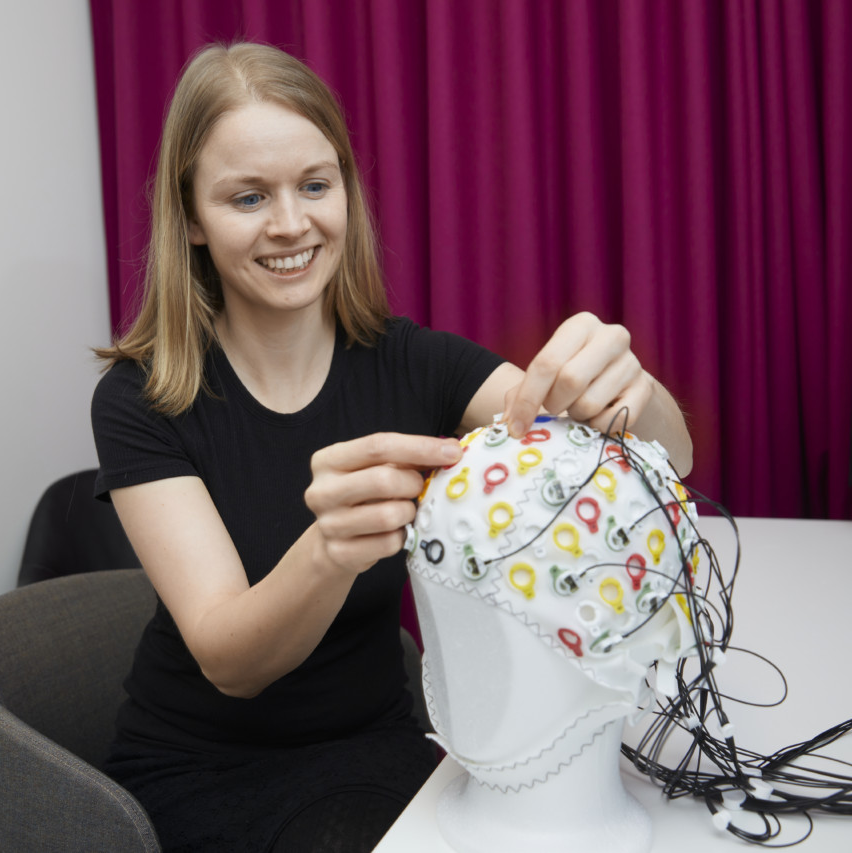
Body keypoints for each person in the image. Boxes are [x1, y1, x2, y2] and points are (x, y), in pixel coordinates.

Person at [90, 41, 693, 853]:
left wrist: (630, 390)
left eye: (315, 185)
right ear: (192, 218)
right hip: (202, 768)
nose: (291, 223)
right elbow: (231, 660)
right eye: (248, 197)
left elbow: (673, 459)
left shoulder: (415, 363)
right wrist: (328, 550)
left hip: (377, 750)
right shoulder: (141, 399)